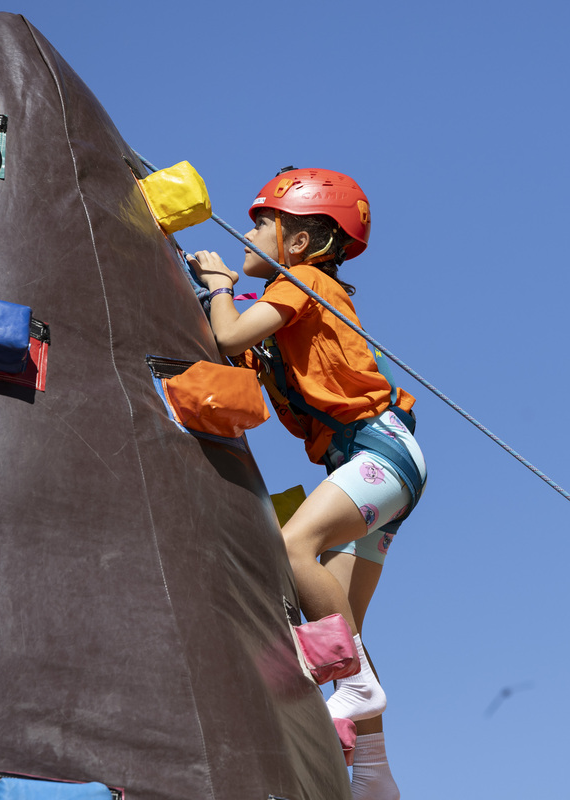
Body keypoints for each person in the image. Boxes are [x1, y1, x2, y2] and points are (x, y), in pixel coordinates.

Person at [191, 167, 424, 800]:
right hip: (375, 463)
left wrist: (218, 286)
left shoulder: (307, 282)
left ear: (297, 243)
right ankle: (373, 771)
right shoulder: (292, 307)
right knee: (337, 620)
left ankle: (353, 689)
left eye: (260, 223)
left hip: (378, 453)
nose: (245, 233)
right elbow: (244, 349)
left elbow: (229, 331)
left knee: (293, 548)